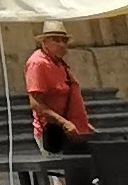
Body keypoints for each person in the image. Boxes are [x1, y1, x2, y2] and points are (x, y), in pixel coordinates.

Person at [25, 24, 93, 161]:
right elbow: (36, 103)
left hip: (73, 132)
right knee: (63, 172)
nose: (62, 45)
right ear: (44, 42)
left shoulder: (58, 63)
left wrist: (83, 124)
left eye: (64, 41)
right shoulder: (38, 63)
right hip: (55, 133)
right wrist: (64, 123)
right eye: (56, 40)